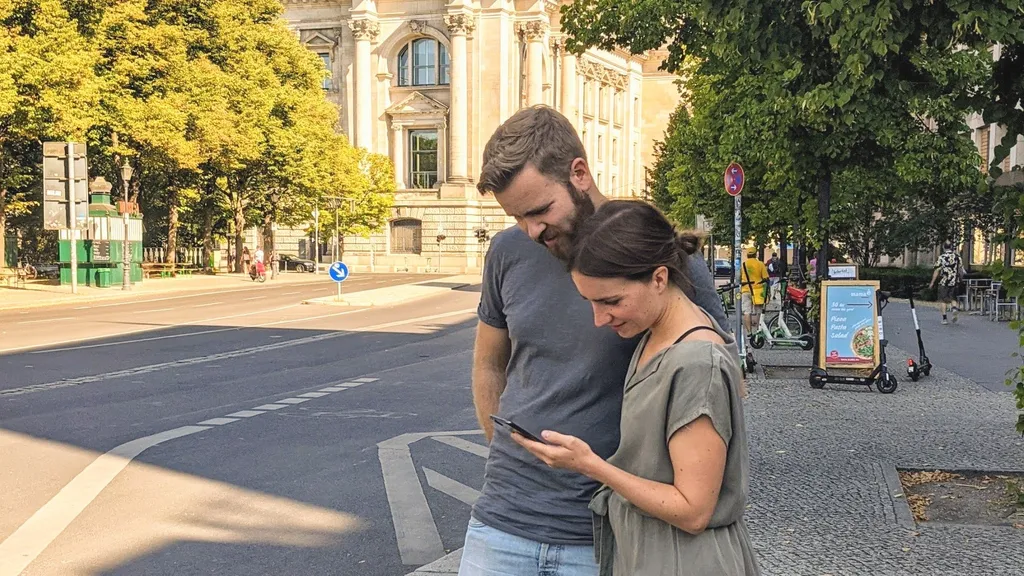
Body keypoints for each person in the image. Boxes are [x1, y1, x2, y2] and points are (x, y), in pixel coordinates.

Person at [462, 105, 728, 576]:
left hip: (610, 533)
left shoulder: (658, 256)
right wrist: (503, 449)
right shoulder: (507, 251)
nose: (532, 230)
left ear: (579, 173)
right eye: (518, 217)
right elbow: (488, 363)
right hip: (502, 522)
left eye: (541, 210)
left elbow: (713, 382)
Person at [514, 200, 759, 576]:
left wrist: (590, 466)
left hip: (684, 561)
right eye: (590, 302)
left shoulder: (695, 363)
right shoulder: (662, 333)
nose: (599, 319)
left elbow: (693, 510)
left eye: (611, 301)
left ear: (659, 278)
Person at [929, 242, 965, 325]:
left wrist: (932, 282)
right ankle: (954, 308)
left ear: (944, 247)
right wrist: (961, 279)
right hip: (954, 281)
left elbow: (937, 270)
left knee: (943, 300)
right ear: (951, 247)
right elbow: (961, 269)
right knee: (953, 298)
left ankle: (944, 318)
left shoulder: (941, 257)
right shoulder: (957, 257)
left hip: (944, 282)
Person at [739, 248, 769, 343]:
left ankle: (749, 333)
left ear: (747, 255)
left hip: (746, 290)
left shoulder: (743, 265)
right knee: (758, 311)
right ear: (756, 254)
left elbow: (739, 277)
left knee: (747, 312)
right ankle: (757, 331)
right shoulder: (760, 264)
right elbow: (766, 278)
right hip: (758, 290)